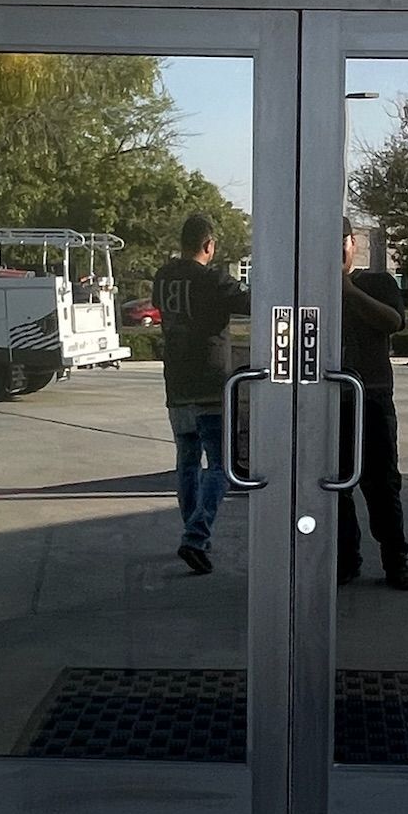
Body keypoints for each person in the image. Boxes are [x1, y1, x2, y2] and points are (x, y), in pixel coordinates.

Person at [152, 213, 250, 576]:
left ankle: (192, 533)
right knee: (221, 467)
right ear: (209, 245)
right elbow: (253, 303)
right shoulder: (213, 280)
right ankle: (196, 534)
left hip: (176, 382)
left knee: (187, 462)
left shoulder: (164, 277)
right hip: (210, 383)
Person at [338, 217, 408, 591]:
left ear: (353, 243)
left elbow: (393, 322)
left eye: (343, 241)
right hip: (327, 400)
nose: (337, 250)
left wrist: (349, 292)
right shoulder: (308, 288)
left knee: (382, 484)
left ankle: (395, 559)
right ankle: (344, 559)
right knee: (334, 486)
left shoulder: (377, 282)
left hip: (371, 397)